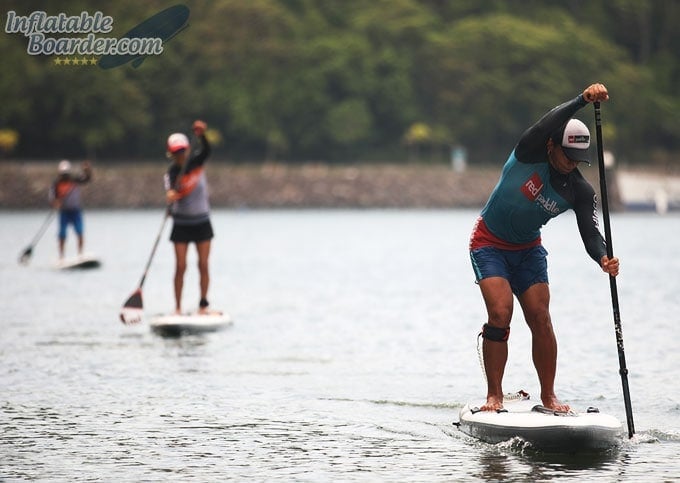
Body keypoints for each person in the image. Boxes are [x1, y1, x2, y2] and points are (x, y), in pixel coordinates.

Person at [469, 83, 619, 413]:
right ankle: (494, 397)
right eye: (568, 156)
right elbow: (547, 120)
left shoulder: (579, 190)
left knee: (541, 317)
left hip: (528, 249)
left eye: (579, 159)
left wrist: (603, 257)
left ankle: (549, 397)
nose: (571, 164)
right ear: (552, 145)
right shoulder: (530, 150)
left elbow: (591, 232)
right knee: (500, 313)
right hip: (489, 243)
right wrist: (582, 100)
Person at [164, 120, 216, 315]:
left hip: (202, 221)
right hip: (182, 224)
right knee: (180, 266)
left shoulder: (197, 162)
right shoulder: (171, 173)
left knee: (203, 264)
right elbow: (169, 193)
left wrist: (202, 135)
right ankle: (177, 308)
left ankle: (203, 305)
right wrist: (169, 197)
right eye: (176, 152)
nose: (180, 155)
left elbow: (207, 149)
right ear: (171, 153)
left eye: (182, 150)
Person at [49, 159, 93, 258]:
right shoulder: (56, 185)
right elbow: (52, 198)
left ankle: (80, 254)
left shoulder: (74, 180)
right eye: (63, 173)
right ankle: (61, 257)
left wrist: (87, 170)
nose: (65, 176)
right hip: (64, 212)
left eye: (66, 173)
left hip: (75, 211)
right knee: (62, 235)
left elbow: (87, 179)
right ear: (60, 173)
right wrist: (56, 203)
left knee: (80, 232)